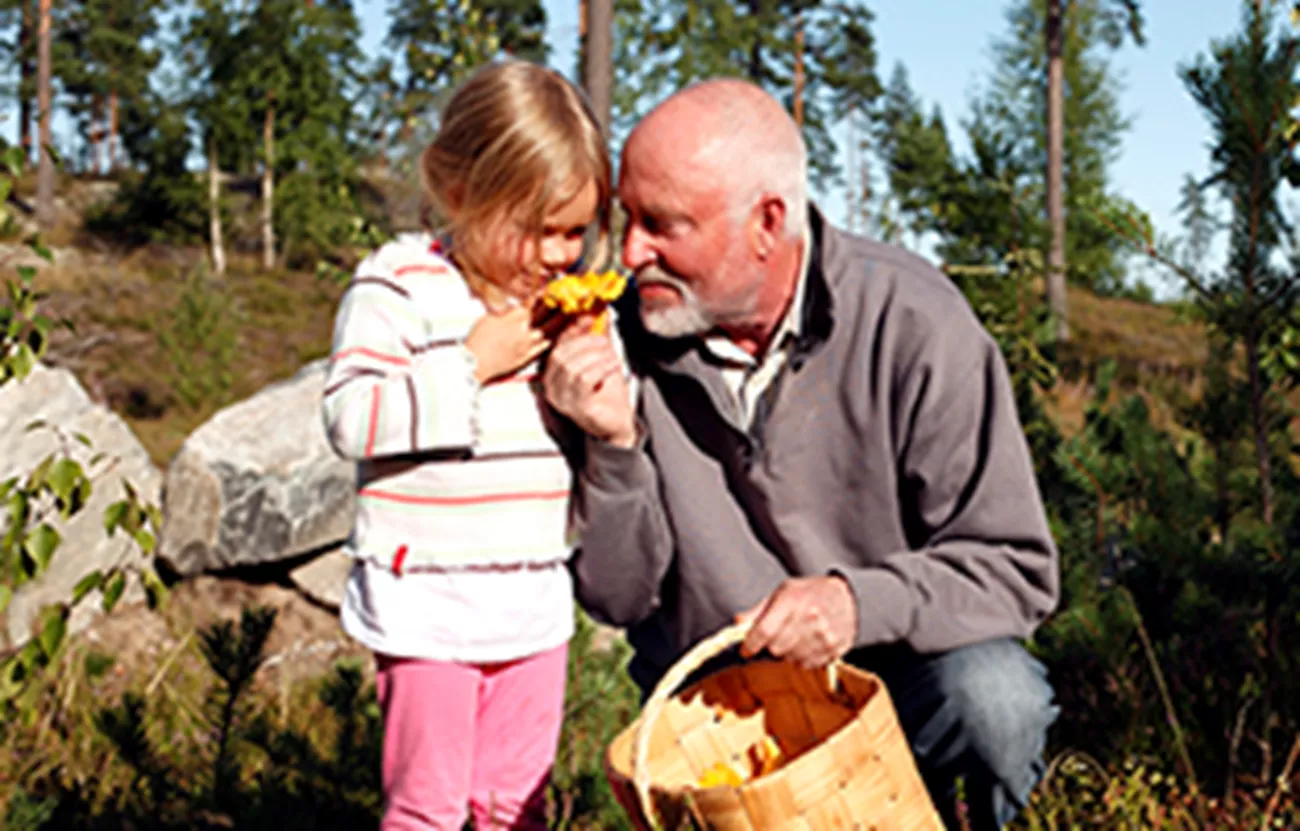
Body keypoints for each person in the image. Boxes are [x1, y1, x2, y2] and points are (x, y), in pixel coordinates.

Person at [542, 77, 1061, 830]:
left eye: (663, 224)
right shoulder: (613, 343)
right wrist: (615, 447)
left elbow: (1016, 571)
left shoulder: (917, 322)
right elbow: (616, 599)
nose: (629, 251)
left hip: (894, 676)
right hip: (720, 709)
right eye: (627, 217)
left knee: (998, 700)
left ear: (766, 223)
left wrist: (855, 603)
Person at [320, 60, 611, 831]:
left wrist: (592, 386)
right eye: (536, 228)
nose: (558, 254)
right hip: (430, 601)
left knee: (515, 805)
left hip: (532, 600)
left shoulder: (558, 310)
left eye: (574, 231)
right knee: (430, 805)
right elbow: (351, 415)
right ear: (460, 195)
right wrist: (474, 363)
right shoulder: (399, 286)